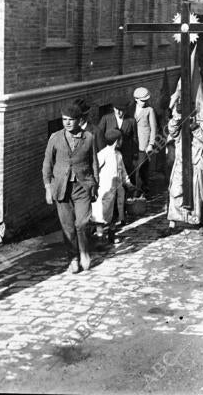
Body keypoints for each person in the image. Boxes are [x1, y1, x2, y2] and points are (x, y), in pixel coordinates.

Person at [43, 104, 99, 273]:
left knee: (82, 223)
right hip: (61, 188)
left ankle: (84, 252)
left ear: (79, 120)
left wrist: (95, 184)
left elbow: (94, 162)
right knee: (67, 226)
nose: (67, 123)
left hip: (83, 186)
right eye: (64, 120)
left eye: (70, 120)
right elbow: (47, 163)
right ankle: (73, 258)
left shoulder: (88, 137)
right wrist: (47, 187)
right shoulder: (55, 138)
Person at [167, 83, 203, 236]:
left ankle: (200, 222)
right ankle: (173, 222)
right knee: (175, 191)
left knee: (198, 195)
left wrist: (196, 129)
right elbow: (172, 132)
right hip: (181, 161)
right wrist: (177, 117)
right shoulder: (181, 118)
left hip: (198, 161)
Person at [91, 129, 135, 237]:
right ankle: (99, 237)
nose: (122, 142)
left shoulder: (119, 155)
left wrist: (128, 183)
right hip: (104, 190)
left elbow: (123, 171)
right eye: (121, 140)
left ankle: (112, 235)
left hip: (117, 190)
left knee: (114, 213)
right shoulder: (103, 154)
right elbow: (94, 169)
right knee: (101, 215)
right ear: (116, 141)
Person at [97, 96, 138, 178]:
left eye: (122, 110)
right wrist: (103, 151)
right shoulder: (106, 119)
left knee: (128, 176)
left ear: (126, 110)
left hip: (126, 155)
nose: (119, 113)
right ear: (113, 108)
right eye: (117, 110)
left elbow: (135, 138)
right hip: (110, 155)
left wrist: (134, 155)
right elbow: (99, 136)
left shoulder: (131, 121)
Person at [133, 87, 157, 197]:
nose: (144, 102)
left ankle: (143, 191)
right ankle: (136, 191)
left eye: (146, 100)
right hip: (133, 144)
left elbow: (153, 128)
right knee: (134, 169)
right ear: (136, 99)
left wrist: (151, 144)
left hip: (144, 145)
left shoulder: (149, 110)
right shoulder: (130, 109)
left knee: (142, 169)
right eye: (142, 100)